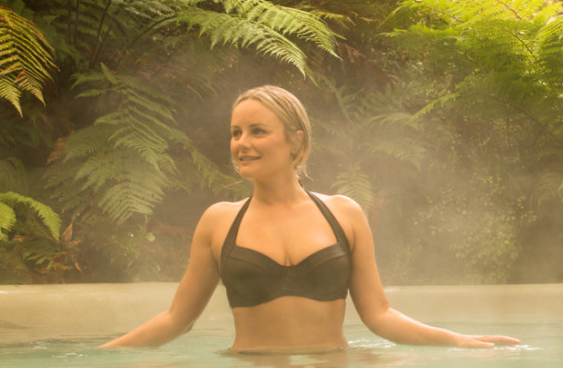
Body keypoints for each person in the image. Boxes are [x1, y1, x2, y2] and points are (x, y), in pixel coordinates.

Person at [104, 85, 519, 352]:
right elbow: (179, 318)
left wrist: (456, 341)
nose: (241, 143)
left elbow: (379, 315)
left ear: (295, 140)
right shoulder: (219, 221)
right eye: (235, 132)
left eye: (257, 131)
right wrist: (103, 357)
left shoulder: (343, 214)